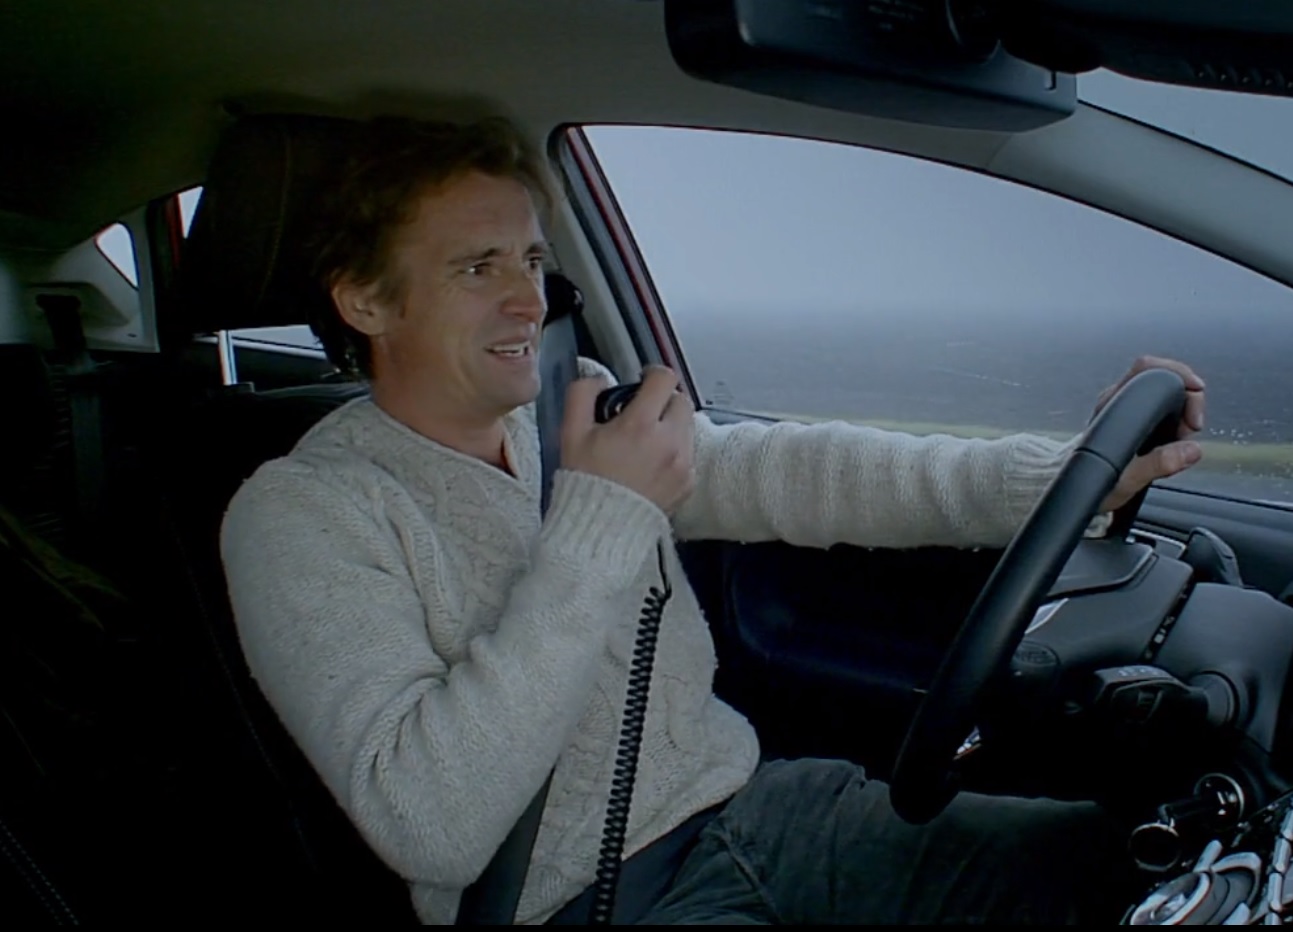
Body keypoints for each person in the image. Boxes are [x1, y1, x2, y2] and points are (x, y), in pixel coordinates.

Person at [219, 116, 1207, 925]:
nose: (530, 298)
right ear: (365, 300)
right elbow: (432, 824)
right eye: (478, 268)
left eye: (530, 257)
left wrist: (1056, 477)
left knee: (1132, 872)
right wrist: (603, 517)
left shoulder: (569, 405)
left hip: (762, 814)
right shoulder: (302, 512)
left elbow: (789, 473)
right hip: (585, 901)